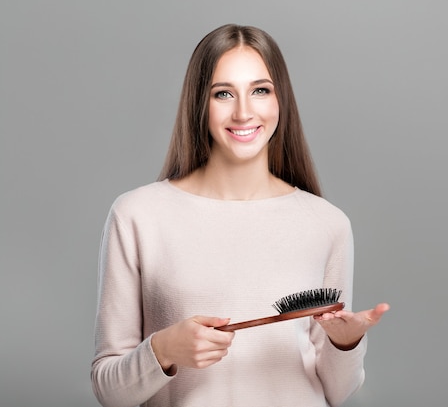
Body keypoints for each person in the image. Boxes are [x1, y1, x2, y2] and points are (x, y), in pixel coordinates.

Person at [91, 23, 389, 407]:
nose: (244, 112)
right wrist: (162, 350)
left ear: (281, 100)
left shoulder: (327, 223)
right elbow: (109, 392)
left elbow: (335, 392)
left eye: (260, 90)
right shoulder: (137, 215)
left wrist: (346, 343)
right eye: (223, 93)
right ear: (200, 102)